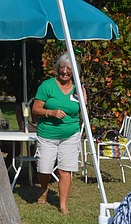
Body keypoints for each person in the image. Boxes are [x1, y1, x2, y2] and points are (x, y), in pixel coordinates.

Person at [32, 53, 85, 214]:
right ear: (57, 69)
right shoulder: (47, 86)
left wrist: (85, 102)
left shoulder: (78, 88)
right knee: (44, 169)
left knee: (65, 169)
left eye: (69, 68)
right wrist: (51, 112)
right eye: (62, 68)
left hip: (70, 135)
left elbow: (82, 113)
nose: (65, 71)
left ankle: (62, 204)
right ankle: (44, 189)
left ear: (74, 71)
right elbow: (35, 109)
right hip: (47, 135)